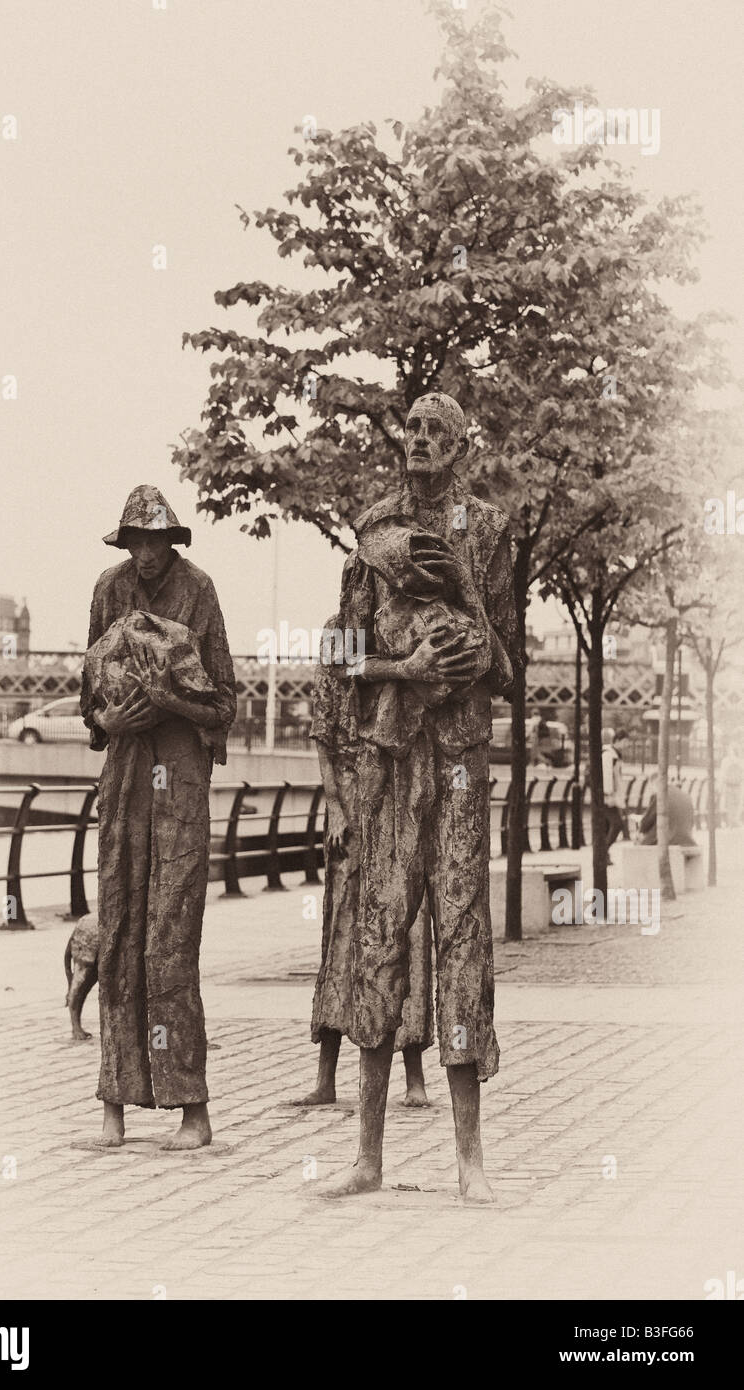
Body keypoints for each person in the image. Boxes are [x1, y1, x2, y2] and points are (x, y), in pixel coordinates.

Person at [318, 391, 519, 1202]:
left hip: (464, 758)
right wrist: (405, 671)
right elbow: (342, 657)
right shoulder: (371, 532)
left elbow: (508, 665)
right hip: (392, 759)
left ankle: (470, 1159)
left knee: (464, 937)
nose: (422, 442)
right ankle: (368, 1158)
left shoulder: (490, 531)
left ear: (462, 447)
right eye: (414, 430)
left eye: (439, 433)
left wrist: (470, 646)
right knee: (379, 932)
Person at [77, 484, 236, 1150]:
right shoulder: (108, 590)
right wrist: (106, 719)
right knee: (117, 935)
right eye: (135, 541)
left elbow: (224, 703)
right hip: (124, 777)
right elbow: (87, 693)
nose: (145, 553)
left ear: (171, 541)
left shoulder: (198, 591)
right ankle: (113, 1103)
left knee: (171, 941)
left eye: (155, 541)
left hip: (179, 780)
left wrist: (174, 698)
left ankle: (190, 1109)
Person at [294, 617, 435, 1110]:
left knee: (409, 930)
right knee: (342, 931)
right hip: (353, 802)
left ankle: (413, 1070)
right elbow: (322, 731)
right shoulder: (337, 631)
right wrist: (334, 801)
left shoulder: (409, 621)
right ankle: (326, 1074)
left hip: (400, 795)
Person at [637, 778, 697, 846]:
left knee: (639, 842)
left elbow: (645, 824)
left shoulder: (661, 795)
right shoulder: (686, 796)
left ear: (654, 784)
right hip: (688, 841)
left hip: (666, 841)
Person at [601, 727, 627, 857]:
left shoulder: (613, 755)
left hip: (610, 796)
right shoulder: (610, 755)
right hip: (608, 797)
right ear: (617, 740)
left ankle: (604, 854)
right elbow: (607, 775)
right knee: (617, 824)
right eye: (624, 742)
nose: (625, 745)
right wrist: (609, 793)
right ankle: (603, 852)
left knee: (608, 826)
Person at [719, 748, 743, 829]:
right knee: (731, 804)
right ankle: (732, 822)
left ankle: (733, 821)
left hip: (735, 785)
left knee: (735, 804)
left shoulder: (738, 761)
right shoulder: (727, 761)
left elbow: (723, 774)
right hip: (731, 785)